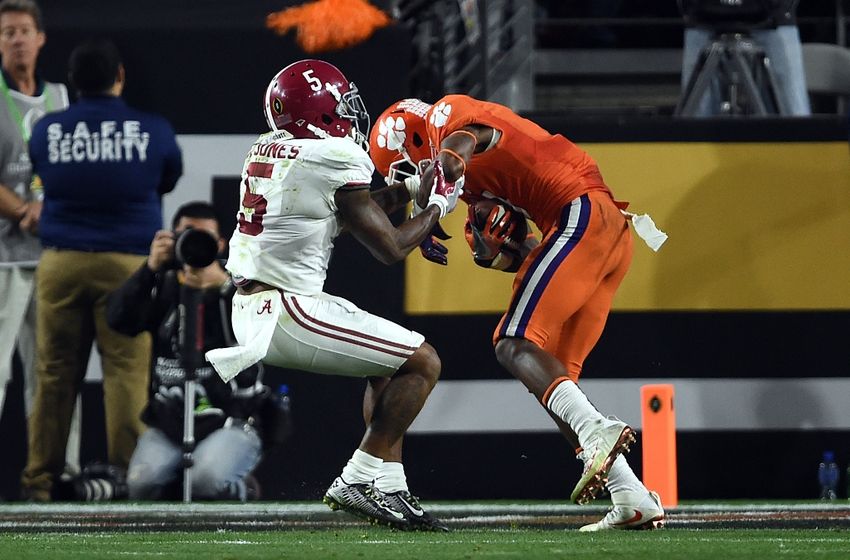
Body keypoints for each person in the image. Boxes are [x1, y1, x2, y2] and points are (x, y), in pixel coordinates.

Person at [369, 96, 666, 531]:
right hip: (598, 233)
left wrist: (442, 180)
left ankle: (600, 435)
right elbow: (530, 255)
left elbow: (469, 140)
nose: (414, 177)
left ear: (412, 140)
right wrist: (492, 247)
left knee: (513, 343)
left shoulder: (444, 118)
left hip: (579, 211)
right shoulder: (469, 185)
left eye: (408, 167)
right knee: (556, 384)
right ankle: (631, 496)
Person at [205, 59, 460, 530]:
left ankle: (390, 487)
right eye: (341, 104)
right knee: (424, 361)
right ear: (317, 110)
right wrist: (440, 202)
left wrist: (407, 189)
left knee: (389, 365)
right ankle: (357, 477)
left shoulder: (272, 148)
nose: (349, 114)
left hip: (260, 303)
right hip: (286, 307)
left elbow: (343, 213)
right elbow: (389, 247)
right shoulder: (333, 157)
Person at [20, 38, 183, 502]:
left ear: (72, 83)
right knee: (127, 373)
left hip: (61, 262)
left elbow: (42, 172)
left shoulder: (48, 129)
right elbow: (166, 176)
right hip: (128, 263)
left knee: (53, 374)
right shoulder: (152, 130)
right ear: (120, 77)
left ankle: (40, 483)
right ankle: (131, 480)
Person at [106, 202, 268, 502]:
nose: (194, 244)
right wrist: (149, 268)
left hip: (229, 421)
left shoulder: (242, 288)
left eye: (203, 237)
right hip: (170, 422)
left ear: (221, 243)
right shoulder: (163, 286)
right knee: (141, 485)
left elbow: (268, 333)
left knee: (205, 481)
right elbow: (118, 321)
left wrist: (225, 286)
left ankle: (239, 486)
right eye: (185, 235)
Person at [0, 0, 83, 487]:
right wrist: (24, 209)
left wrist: (50, 208)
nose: (16, 39)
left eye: (23, 30)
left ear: (40, 38)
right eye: (7, 32)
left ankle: (59, 476)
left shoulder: (59, 96)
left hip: (52, 259)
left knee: (52, 378)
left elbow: (71, 168)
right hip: (4, 260)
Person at [679, 0, 810, 116]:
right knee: (696, 110)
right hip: (703, 16)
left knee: (794, 108)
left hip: (774, 14)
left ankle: (800, 140)